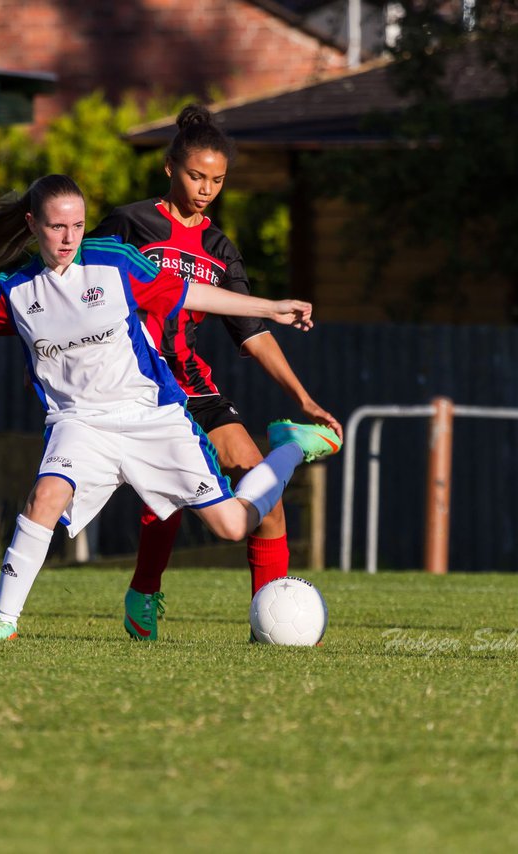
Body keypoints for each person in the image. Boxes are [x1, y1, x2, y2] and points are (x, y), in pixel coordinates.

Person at [0, 174, 340, 640]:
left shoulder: (114, 263)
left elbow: (190, 293)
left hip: (152, 415)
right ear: (32, 224)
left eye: (77, 225)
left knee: (233, 525)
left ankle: (290, 449)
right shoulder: (15, 291)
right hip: (79, 423)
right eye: (56, 226)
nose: (69, 238)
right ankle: (3, 622)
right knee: (44, 498)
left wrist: (271, 306)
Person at [89, 104, 343, 641]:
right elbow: (83, 295)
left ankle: (266, 622)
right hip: (134, 382)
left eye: (218, 180)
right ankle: (144, 592)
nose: (206, 189)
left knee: (262, 493)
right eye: (196, 176)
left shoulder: (219, 248)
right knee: (172, 493)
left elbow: (251, 330)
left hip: (192, 382)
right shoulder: (129, 224)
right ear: (169, 168)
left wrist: (303, 397)